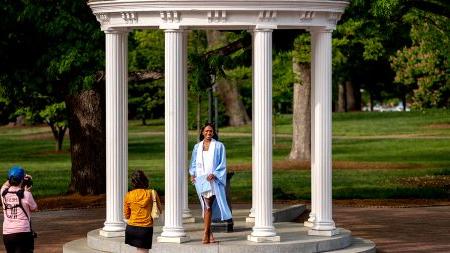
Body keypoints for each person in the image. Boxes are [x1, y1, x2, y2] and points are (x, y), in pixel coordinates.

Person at [189, 122, 232, 244]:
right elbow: (193, 162)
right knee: (206, 207)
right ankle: (210, 235)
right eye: (206, 131)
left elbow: (222, 163)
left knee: (208, 206)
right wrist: (192, 174)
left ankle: (205, 234)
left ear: (213, 133)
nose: (208, 133)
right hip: (200, 180)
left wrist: (215, 174)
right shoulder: (197, 147)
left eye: (211, 131)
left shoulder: (219, 146)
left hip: (213, 180)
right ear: (202, 132)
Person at [1, 165, 38, 253]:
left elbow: (5, 185)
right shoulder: (26, 194)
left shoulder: (3, 193)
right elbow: (35, 208)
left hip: (7, 234)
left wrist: (16, 176)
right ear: (22, 180)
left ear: (9, 179)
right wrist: (28, 191)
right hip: (23, 233)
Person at [124, 170, 162, 253]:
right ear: (145, 181)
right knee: (143, 251)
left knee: (139, 250)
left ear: (133, 182)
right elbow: (160, 210)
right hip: (145, 228)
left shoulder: (129, 195)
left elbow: (126, 215)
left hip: (131, 228)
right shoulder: (152, 193)